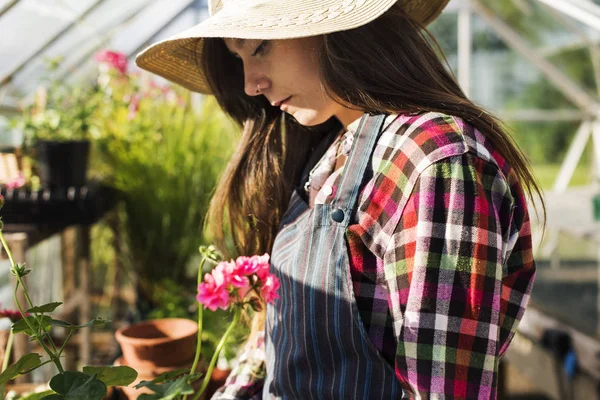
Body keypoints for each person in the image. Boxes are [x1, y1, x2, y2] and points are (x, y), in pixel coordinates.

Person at [136, 0, 544, 398]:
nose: (249, 84)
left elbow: (441, 388)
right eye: (239, 59)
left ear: (334, 29)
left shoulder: (435, 162)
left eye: (260, 47)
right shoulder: (330, 152)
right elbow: (278, 342)